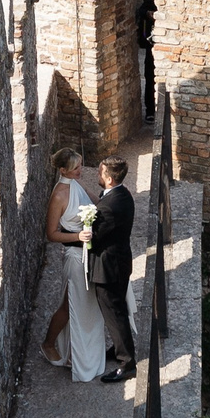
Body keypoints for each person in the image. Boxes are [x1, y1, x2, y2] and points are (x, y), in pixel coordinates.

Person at [39, 148, 106, 383]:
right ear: (62, 169)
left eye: (80, 165)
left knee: (86, 305)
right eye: (76, 167)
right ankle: (48, 344)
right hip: (74, 256)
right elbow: (51, 234)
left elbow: (97, 201)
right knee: (70, 304)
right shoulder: (58, 196)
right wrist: (78, 238)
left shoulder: (77, 185)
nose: (80, 170)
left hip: (89, 253)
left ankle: (75, 352)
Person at [89, 156, 138, 383]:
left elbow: (95, 238)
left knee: (114, 313)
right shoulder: (122, 194)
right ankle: (119, 348)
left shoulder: (109, 207)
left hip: (109, 267)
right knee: (116, 311)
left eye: (100, 173)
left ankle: (127, 363)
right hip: (120, 261)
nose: (98, 176)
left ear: (108, 178)